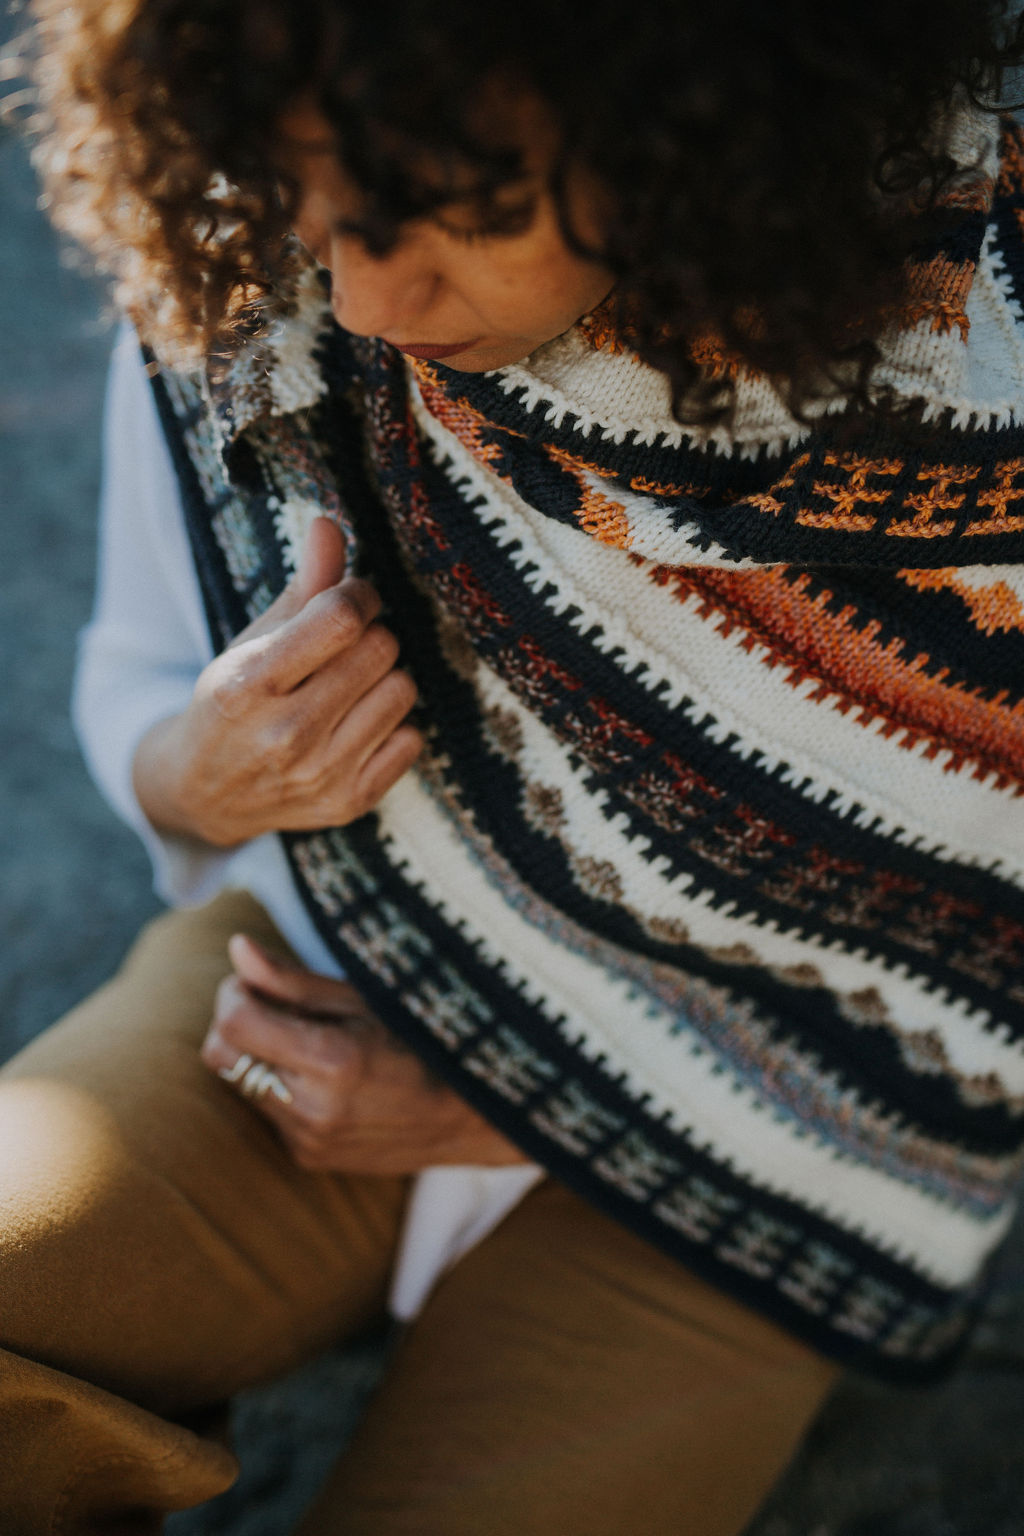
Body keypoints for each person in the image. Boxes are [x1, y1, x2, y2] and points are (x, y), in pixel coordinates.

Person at [3, 1, 1024, 1531]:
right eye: (319, 211)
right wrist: (204, 769)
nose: (361, 297)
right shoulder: (260, 236)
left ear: (695, 126)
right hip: (309, 1002)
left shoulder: (985, 398)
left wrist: (554, 1090)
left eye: (466, 215)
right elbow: (134, 682)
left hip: (757, 1171)